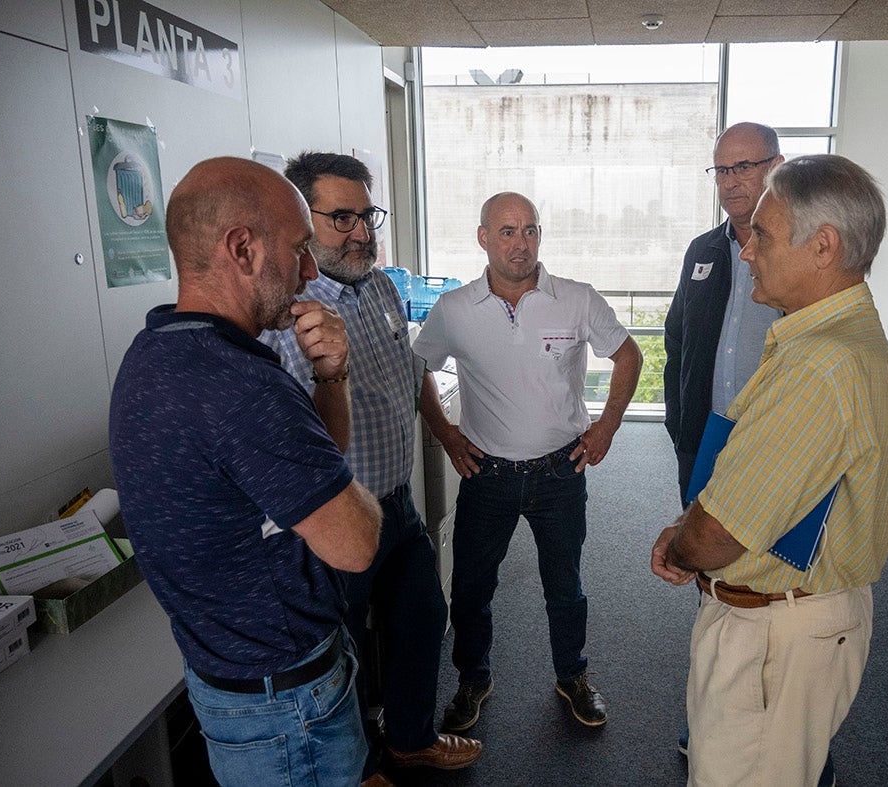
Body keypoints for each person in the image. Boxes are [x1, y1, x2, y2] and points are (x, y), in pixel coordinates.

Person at [109, 157, 384, 787]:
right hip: (286, 703)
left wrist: (331, 375)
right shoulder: (242, 389)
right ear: (243, 248)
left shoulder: (155, 351)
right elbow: (356, 542)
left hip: (226, 675)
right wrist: (369, 499)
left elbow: (312, 464)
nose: (310, 272)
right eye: (298, 250)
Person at [651, 154, 888, 786]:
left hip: (776, 633)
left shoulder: (818, 366)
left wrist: (680, 546)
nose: (747, 252)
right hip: (795, 618)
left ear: (823, 247)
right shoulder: (838, 337)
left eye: (762, 235)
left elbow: (720, 533)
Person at [261, 152, 482, 782]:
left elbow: (410, 377)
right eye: (341, 218)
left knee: (420, 619)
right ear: (303, 222)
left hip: (397, 501)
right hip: (335, 518)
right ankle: (359, 765)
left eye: (367, 214)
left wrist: (443, 430)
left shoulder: (383, 287)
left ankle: (410, 739)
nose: (362, 232)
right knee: (343, 650)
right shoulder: (288, 313)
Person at [414, 191, 643, 730]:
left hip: (560, 472)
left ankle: (572, 676)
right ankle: (473, 679)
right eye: (508, 231)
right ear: (483, 238)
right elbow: (418, 368)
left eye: (530, 230)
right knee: (471, 588)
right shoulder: (454, 310)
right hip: (486, 476)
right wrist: (446, 434)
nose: (521, 244)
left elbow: (628, 354)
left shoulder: (577, 299)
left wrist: (606, 426)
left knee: (565, 587)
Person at [664, 121, 784, 504]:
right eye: (721, 170)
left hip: (776, 443)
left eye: (744, 167)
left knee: (766, 556)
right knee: (696, 550)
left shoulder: (799, 255)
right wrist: (680, 424)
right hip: (704, 441)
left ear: (776, 167)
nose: (729, 182)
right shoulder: (702, 251)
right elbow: (676, 342)